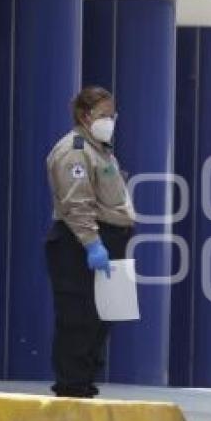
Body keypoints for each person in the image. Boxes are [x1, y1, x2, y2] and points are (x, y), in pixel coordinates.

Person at [45, 86, 135, 398]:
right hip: (81, 241)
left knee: (104, 316)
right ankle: (71, 384)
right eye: (104, 115)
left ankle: (85, 380)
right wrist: (92, 244)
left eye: (113, 115)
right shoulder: (75, 150)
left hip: (109, 238)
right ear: (85, 116)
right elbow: (76, 204)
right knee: (79, 315)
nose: (110, 121)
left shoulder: (101, 150)